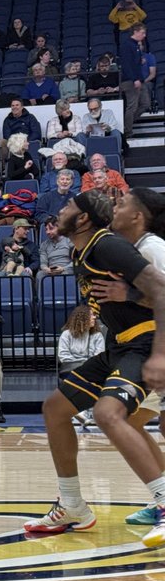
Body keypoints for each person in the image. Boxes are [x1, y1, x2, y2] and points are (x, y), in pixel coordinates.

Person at [22, 191, 165, 547]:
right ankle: (72, 505)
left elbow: (162, 291)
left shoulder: (107, 246)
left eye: (69, 206)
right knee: (55, 408)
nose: (61, 210)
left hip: (144, 343)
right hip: (118, 345)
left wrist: (159, 353)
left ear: (83, 218)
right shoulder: (79, 250)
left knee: (108, 413)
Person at [95, 188, 165, 524]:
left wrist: (130, 294)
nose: (114, 207)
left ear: (137, 216)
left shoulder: (153, 248)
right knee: (134, 422)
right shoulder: (131, 250)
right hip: (150, 349)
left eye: (121, 204)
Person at [58, 306, 104, 375]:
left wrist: (86, 365)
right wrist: (79, 364)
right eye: (91, 315)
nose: (94, 317)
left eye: (94, 315)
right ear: (82, 319)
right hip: (71, 368)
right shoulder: (66, 334)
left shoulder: (97, 335)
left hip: (91, 368)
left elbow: (99, 356)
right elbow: (63, 355)